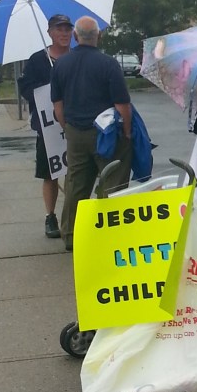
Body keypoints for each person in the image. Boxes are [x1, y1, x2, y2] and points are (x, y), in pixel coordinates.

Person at [51, 15, 132, 251]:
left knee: (76, 183)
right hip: (106, 134)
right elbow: (122, 105)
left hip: (75, 132)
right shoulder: (108, 64)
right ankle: (108, 235)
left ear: (75, 36)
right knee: (113, 182)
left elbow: (58, 105)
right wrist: (127, 132)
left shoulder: (61, 65)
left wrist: (67, 128)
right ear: (99, 36)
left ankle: (71, 235)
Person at [18, 14, 74, 239]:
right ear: (49, 32)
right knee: (49, 173)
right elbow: (26, 88)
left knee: (75, 173)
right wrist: (48, 92)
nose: (64, 33)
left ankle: (73, 215)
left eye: (68, 29)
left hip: (75, 126)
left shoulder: (76, 58)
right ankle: (50, 216)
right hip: (47, 127)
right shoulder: (37, 60)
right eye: (59, 29)